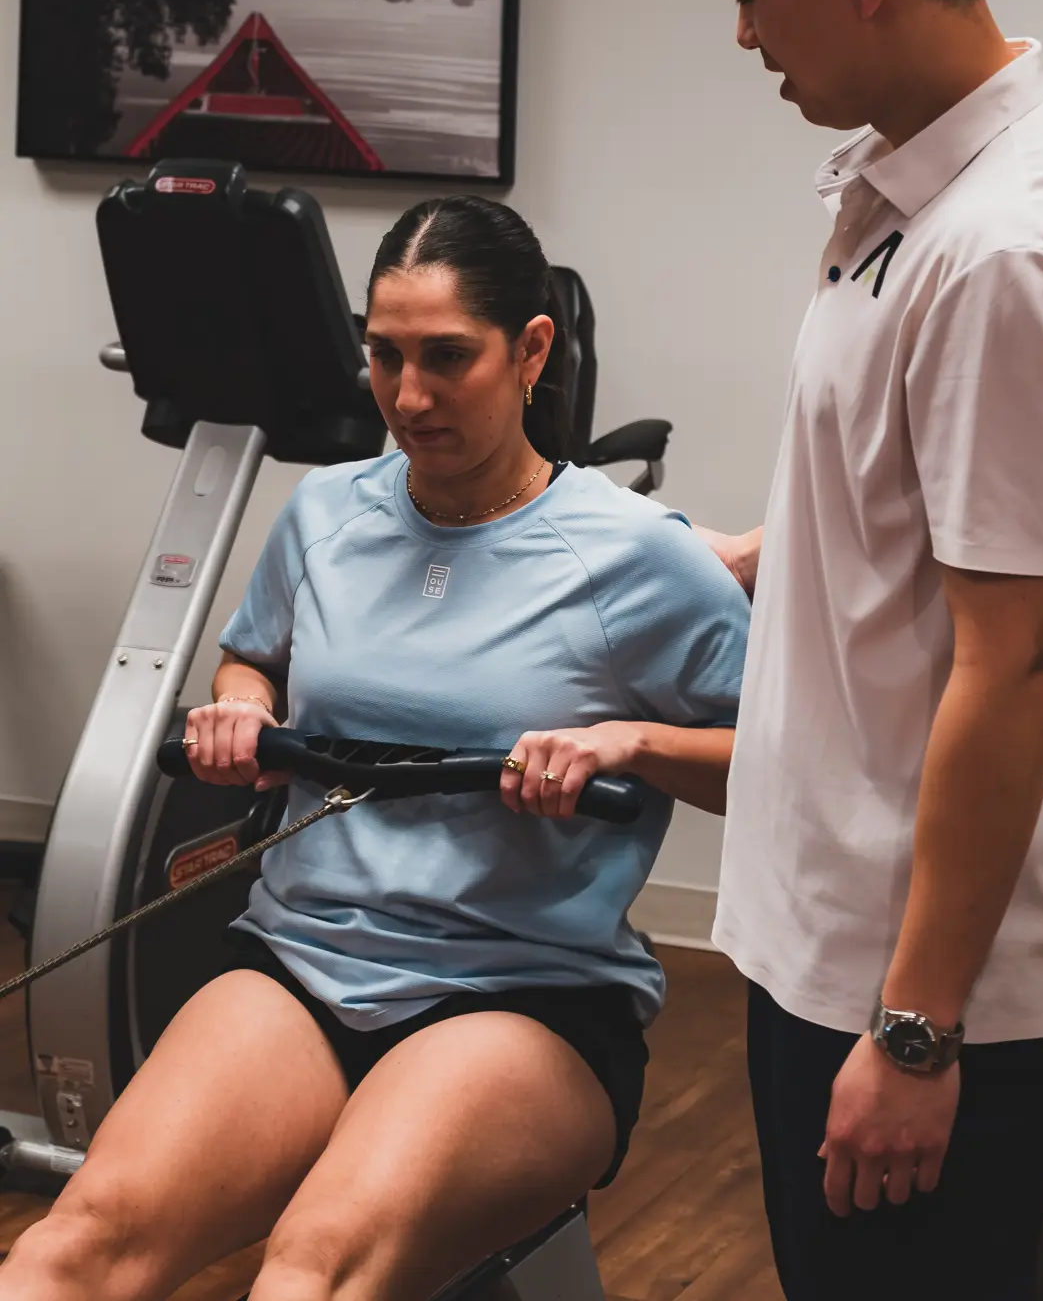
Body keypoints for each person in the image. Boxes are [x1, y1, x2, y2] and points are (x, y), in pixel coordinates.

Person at [1, 198, 748, 1301]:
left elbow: (785, 767)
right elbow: (252, 656)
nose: (408, 395)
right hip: (301, 959)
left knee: (314, 1268)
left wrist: (629, 742)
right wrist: (242, 709)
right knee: (70, 1248)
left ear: (531, 349)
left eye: (447, 357)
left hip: (522, 992)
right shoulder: (326, 512)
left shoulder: (638, 557)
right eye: (385, 356)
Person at [686, 0, 1043, 1300]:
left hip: (921, 983)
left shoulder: (1011, 251)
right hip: (834, 936)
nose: (743, 36)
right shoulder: (911, 200)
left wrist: (915, 1029)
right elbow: (916, 506)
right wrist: (739, 557)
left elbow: (1021, 665)